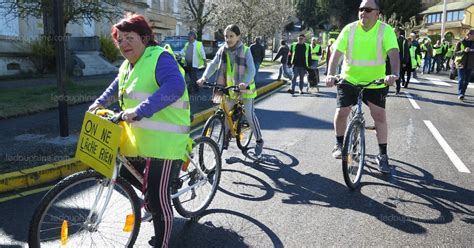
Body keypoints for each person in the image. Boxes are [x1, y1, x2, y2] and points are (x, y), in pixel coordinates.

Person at [88, 13, 190, 247]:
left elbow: (175, 86)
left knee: (157, 196)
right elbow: (117, 85)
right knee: (124, 171)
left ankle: (161, 231)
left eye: (129, 38)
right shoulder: (128, 65)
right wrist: (99, 103)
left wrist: (141, 110)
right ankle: (155, 192)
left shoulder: (159, 58)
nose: (123, 44)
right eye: (119, 40)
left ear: (144, 38)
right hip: (141, 136)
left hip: (166, 140)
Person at [325, 0, 399, 173]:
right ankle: (339, 144)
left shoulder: (385, 30)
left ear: (377, 13)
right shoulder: (349, 29)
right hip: (349, 80)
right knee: (342, 112)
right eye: (360, 9)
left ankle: (383, 155)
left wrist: (394, 74)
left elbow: (393, 53)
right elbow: (336, 54)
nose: (363, 12)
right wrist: (330, 74)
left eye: (367, 9)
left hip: (376, 82)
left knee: (379, 116)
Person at [197, 24, 265, 156]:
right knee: (224, 115)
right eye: (226, 36)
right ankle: (225, 138)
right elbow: (213, 64)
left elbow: (252, 69)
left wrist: (244, 82)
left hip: (245, 89)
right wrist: (204, 77)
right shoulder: (223, 50)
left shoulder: (245, 50)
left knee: (250, 116)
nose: (228, 39)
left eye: (231, 36)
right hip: (228, 89)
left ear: (238, 36)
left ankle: (259, 140)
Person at [454, 29, 474, 100]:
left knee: (466, 81)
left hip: (470, 65)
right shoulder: (461, 42)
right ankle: (460, 94)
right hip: (461, 63)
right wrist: (463, 51)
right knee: (461, 79)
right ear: (469, 35)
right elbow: (455, 53)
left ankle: (463, 92)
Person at [395, 27, 410, 94]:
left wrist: (404, 62)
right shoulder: (390, 38)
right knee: (387, 74)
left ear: (398, 32)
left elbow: (406, 52)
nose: (394, 33)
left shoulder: (404, 40)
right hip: (389, 60)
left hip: (399, 60)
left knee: (398, 75)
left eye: (395, 32)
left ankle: (397, 89)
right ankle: (385, 91)